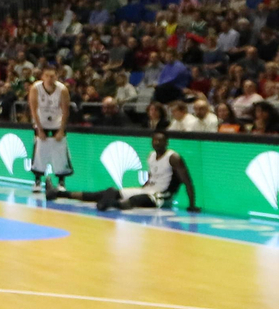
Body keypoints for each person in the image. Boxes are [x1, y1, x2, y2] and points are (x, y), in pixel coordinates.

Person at [47, 129, 198, 211]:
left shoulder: (174, 158)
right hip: (148, 190)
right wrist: (144, 187)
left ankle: (109, 203)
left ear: (167, 142)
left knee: (134, 200)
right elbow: (152, 177)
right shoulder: (151, 156)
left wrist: (192, 205)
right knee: (108, 191)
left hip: (162, 195)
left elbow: (188, 182)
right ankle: (58, 193)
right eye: (154, 140)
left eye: (160, 140)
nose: (157, 143)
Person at [27, 65, 72, 193]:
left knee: (60, 153)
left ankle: (61, 182)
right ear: (42, 77)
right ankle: (37, 182)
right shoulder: (35, 88)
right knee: (40, 153)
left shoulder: (62, 89)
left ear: (56, 77)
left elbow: (65, 111)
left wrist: (62, 130)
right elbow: (33, 110)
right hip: (42, 123)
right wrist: (39, 129)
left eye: (52, 76)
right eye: (47, 76)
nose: (49, 78)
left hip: (57, 124)